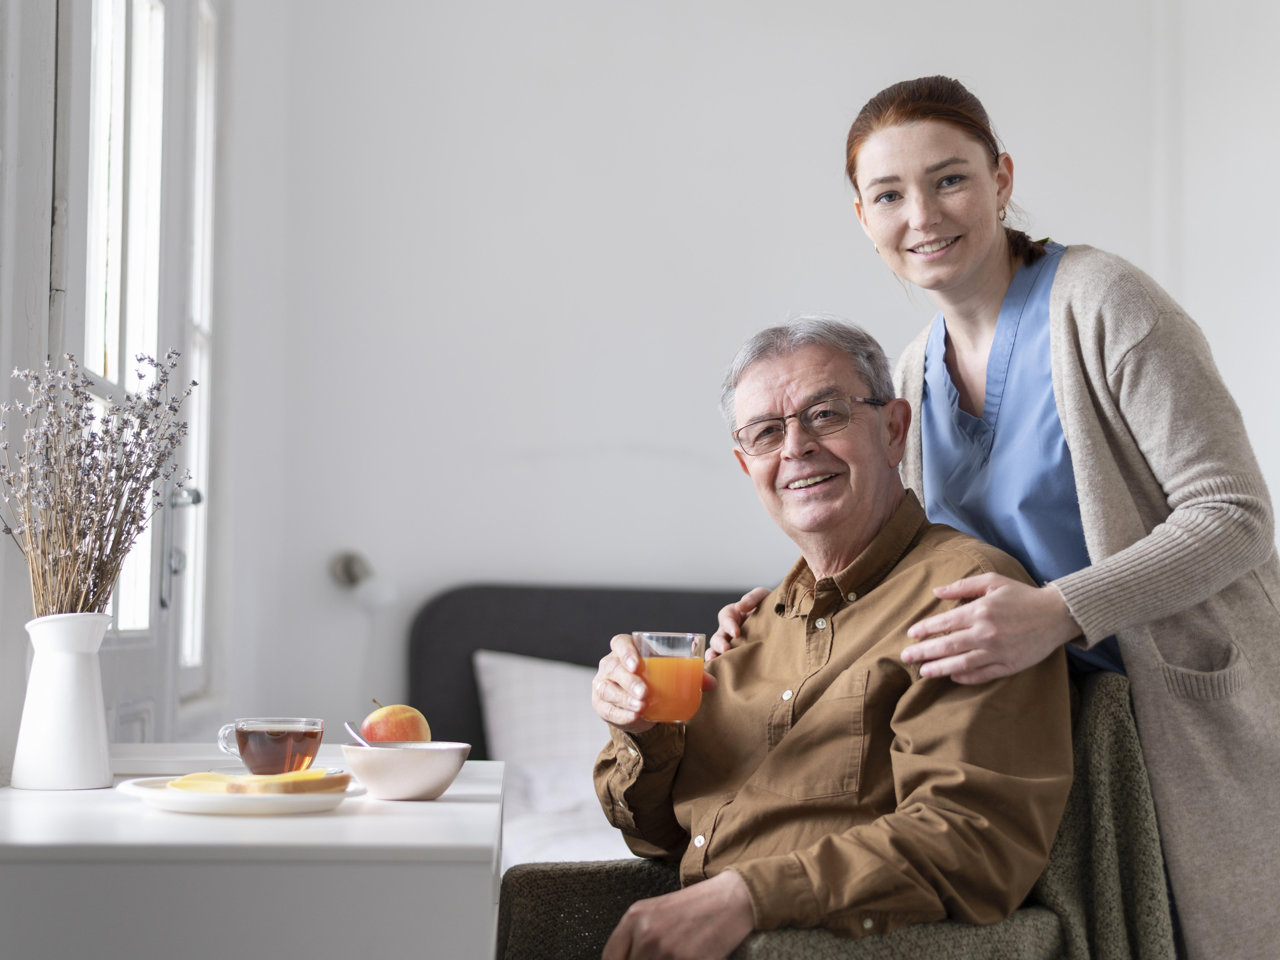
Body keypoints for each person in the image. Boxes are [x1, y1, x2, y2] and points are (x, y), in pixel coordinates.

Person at [713, 76, 1280, 960]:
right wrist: (779, 613)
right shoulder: (907, 377)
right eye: (890, 195)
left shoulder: (1102, 304)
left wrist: (1057, 612)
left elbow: (1237, 515)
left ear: (1001, 179)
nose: (924, 215)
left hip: (1184, 715)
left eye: (950, 180)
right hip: (1047, 728)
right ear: (863, 218)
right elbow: (891, 556)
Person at [591, 318, 1073, 960]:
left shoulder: (967, 594)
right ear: (747, 466)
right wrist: (643, 731)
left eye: (825, 414)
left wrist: (746, 897)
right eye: (766, 432)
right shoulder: (750, 629)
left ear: (894, 429)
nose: (796, 447)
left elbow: (973, 843)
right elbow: (660, 837)